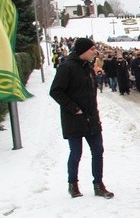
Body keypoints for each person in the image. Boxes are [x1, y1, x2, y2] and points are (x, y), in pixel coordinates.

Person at [49, 38, 114, 199]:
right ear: (83, 51)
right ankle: (73, 185)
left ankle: (98, 185)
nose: (94, 52)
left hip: (91, 118)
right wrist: (73, 108)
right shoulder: (66, 67)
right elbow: (55, 91)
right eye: (92, 49)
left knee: (98, 150)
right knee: (76, 153)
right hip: (74, 119)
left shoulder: (88, 67)